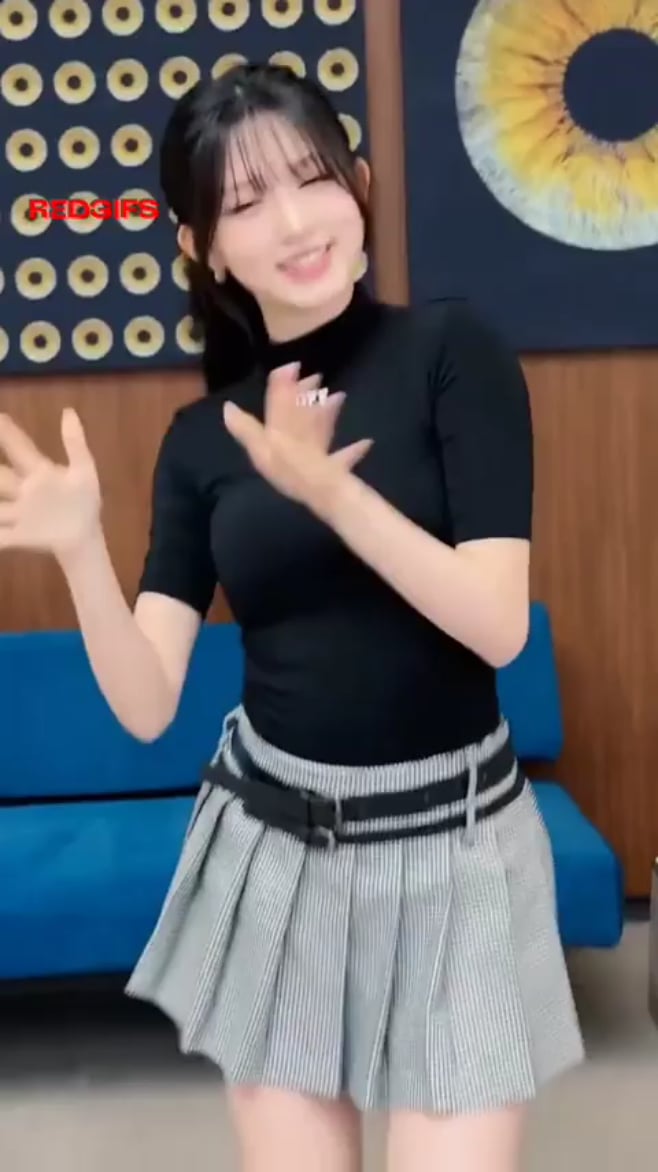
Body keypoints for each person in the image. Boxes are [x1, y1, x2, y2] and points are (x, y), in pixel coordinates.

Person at [0, 63, 584, 1172]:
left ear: (359, 187)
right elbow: (146, 703)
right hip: (275, 854)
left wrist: (331, 495)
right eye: (247, 201)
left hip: (458, 851)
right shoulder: (202, 441)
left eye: (314, 179)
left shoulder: (453, 354)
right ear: (203, 248)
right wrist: (80, 550)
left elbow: (497, 625)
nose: (295, 221)